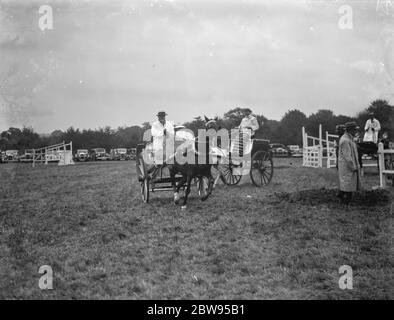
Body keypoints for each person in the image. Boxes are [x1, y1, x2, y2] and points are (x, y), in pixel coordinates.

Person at [338, 122, 362, 204]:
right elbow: (347, 156)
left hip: (348, 165)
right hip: (347, 166)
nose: (356, 131)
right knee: (347, 183)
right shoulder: (345, 140)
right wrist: (353, 166)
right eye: (355, 130)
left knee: (348, 183)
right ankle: (344, 200)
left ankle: (344, 198)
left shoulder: (349, 139)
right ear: (350, 130)